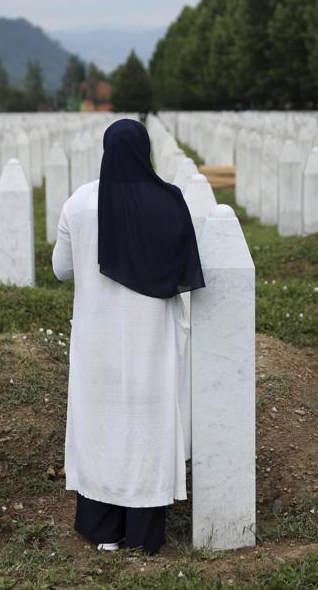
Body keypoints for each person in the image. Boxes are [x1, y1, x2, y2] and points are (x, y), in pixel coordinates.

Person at [52, 118, 205, 554]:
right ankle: (142, 533)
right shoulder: (169, 201)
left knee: (100, 424)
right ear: (145, 151)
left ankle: (104, 531)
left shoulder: (79, 203)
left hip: (97, 339)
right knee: (146, 426)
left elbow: (61, 268)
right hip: (150, 340)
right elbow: (183, 270)